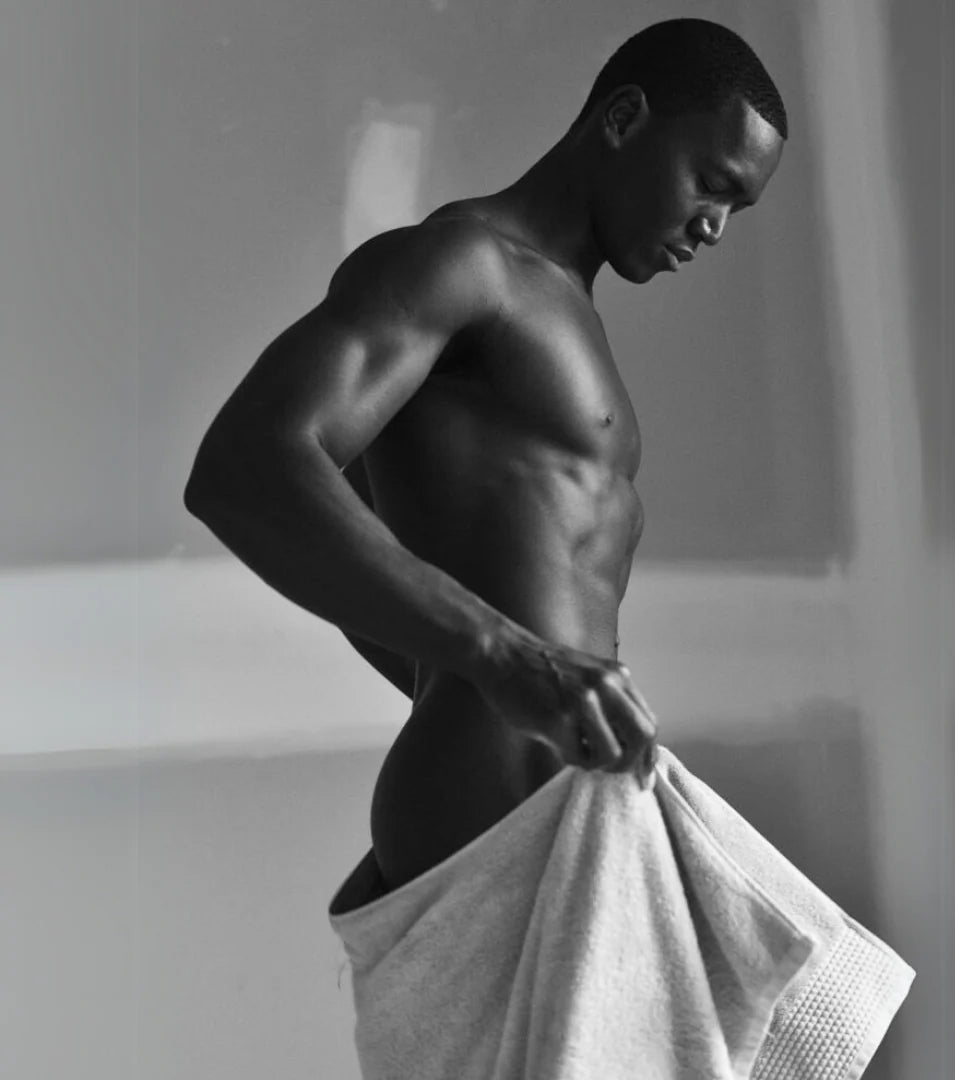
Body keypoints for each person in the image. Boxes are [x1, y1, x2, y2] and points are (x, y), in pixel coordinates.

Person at [183, 18, 787, 897]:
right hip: (502, 816)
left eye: (737, 208)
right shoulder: (464, 265)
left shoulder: (563, 313)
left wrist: (466, 680)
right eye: (711, 183)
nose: (715, 227)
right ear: (623, 118)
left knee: (819, 977)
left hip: (565, 800)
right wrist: (501, 665)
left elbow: (365, 541)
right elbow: (248, 467)